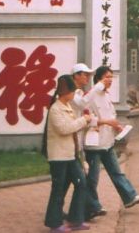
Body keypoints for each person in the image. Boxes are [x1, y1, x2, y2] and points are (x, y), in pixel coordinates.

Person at [83, 66, 139, 211]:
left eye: (111, 77)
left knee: (116, 172)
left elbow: (110, 116)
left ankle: (129, 197)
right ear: (98, 79)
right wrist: (104, 122)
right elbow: (85, 116)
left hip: (107, 142)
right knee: (93, 178)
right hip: (94, 144)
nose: (110, 80)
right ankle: (92, 206)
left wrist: (116, 126)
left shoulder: (106, 96)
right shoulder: (91, 95)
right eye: (106, 77)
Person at [42, 74, 92, 232]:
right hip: (59, 157)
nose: (74, 94)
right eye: (73, 91)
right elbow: (65, 129)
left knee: (81, 183)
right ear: (66, 92)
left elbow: (73, 127)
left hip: (71, 155)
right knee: (58, 189)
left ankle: (75, 219)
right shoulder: (56, 109)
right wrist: (83, 120)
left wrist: (86, 123)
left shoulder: (67, 106)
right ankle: (54, 223)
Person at [70, 63, 104, 221]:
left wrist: (94, 122)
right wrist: (96, 88)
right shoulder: (70, 93)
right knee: (80, 180)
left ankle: (75, 213)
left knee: (66, 184)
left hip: (77, 141)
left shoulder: (79, 92)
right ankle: (92, 207)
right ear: (76, 75)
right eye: (85, 74)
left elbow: (85, 112)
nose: (87, 78)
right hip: (69, 142)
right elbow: (82, 104)